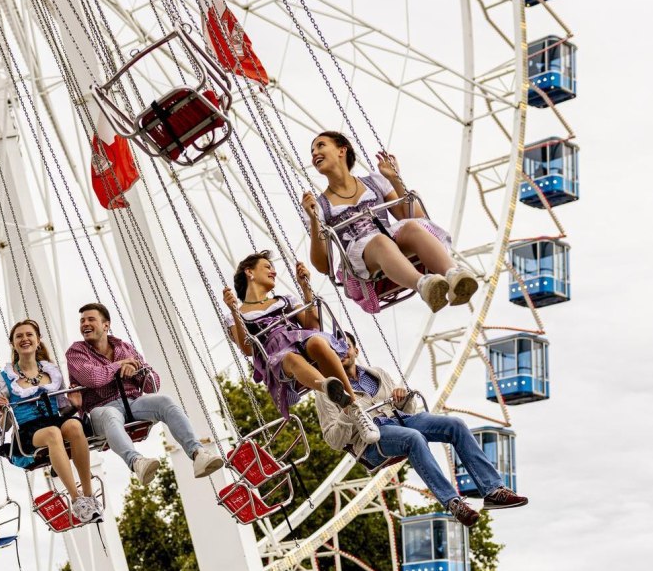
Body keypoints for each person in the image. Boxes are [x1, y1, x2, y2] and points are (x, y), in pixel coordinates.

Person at [314, 332, 528, 527]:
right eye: (334, 350)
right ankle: (453, 502)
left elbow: (408, 410)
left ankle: (492, 490)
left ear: (355, 350)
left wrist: (402, 398)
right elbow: (333, 440)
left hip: (401, 420)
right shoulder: (325, 394)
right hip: (373, 439)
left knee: (455, 425)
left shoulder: (377, 374)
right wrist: (346, 409)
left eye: (344, 346)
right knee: (413, 438)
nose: (341, 352)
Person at [302, 131, 478, 313]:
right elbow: (323, 266)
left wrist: (394, 179)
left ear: (342, 150)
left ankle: (454, 274)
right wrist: (315, 221)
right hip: (361, 259)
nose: (314, 153)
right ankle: (424, 285)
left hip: (389, 239)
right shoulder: (320, 206)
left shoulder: (374, 182)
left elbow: (415, 216)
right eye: (312, 150)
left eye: (320, 145)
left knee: (410, 227)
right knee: (380, 241)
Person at [221, 250, 380, 445]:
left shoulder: (284, 300)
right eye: (267, 267)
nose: (273, 272)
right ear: (249, 272)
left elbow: (312, 327)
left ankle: (355, 408)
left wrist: (305, 289)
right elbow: (247, 349)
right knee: (290, 358)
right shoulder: (235, 315)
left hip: (300, 339)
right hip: (277, 357)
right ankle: (327, 386)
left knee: (317, 342)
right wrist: (235, 312)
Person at [65, 303, 224, 486]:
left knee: (164, 401)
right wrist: (119, 365)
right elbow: (92, 378)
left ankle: (197, 453)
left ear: (106, 325)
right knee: (110, 416)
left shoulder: (125, 347)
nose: (85, 324)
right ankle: (136, 462)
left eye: (91, 319)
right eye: (82, 321)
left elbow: (153, 384)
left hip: (132, 402)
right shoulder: (76, 352)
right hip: (101, 408)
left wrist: (137, 371)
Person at [0, 319, 101, 524]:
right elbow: (4, 427)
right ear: (13, 344)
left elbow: (63, 408)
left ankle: (89, 494)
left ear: (38, 340)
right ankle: (77, 500)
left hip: (53, 420)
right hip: (28, 431)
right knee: (52, 433)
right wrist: (2, 410)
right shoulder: (4, 379)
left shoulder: (52, 372)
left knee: (75, 425)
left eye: (29, 335)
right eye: (19, 336)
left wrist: (75, 405)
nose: (25, 339)